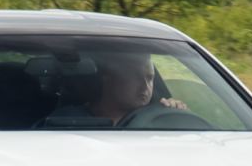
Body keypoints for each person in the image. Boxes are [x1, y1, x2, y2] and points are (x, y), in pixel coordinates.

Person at [52, 52, 187, 126]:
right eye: (135, 76)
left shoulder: (158, 121)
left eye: (150, 77)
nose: (145, 85)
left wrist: (179, 119)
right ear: (109, 80)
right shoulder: (67, 120)